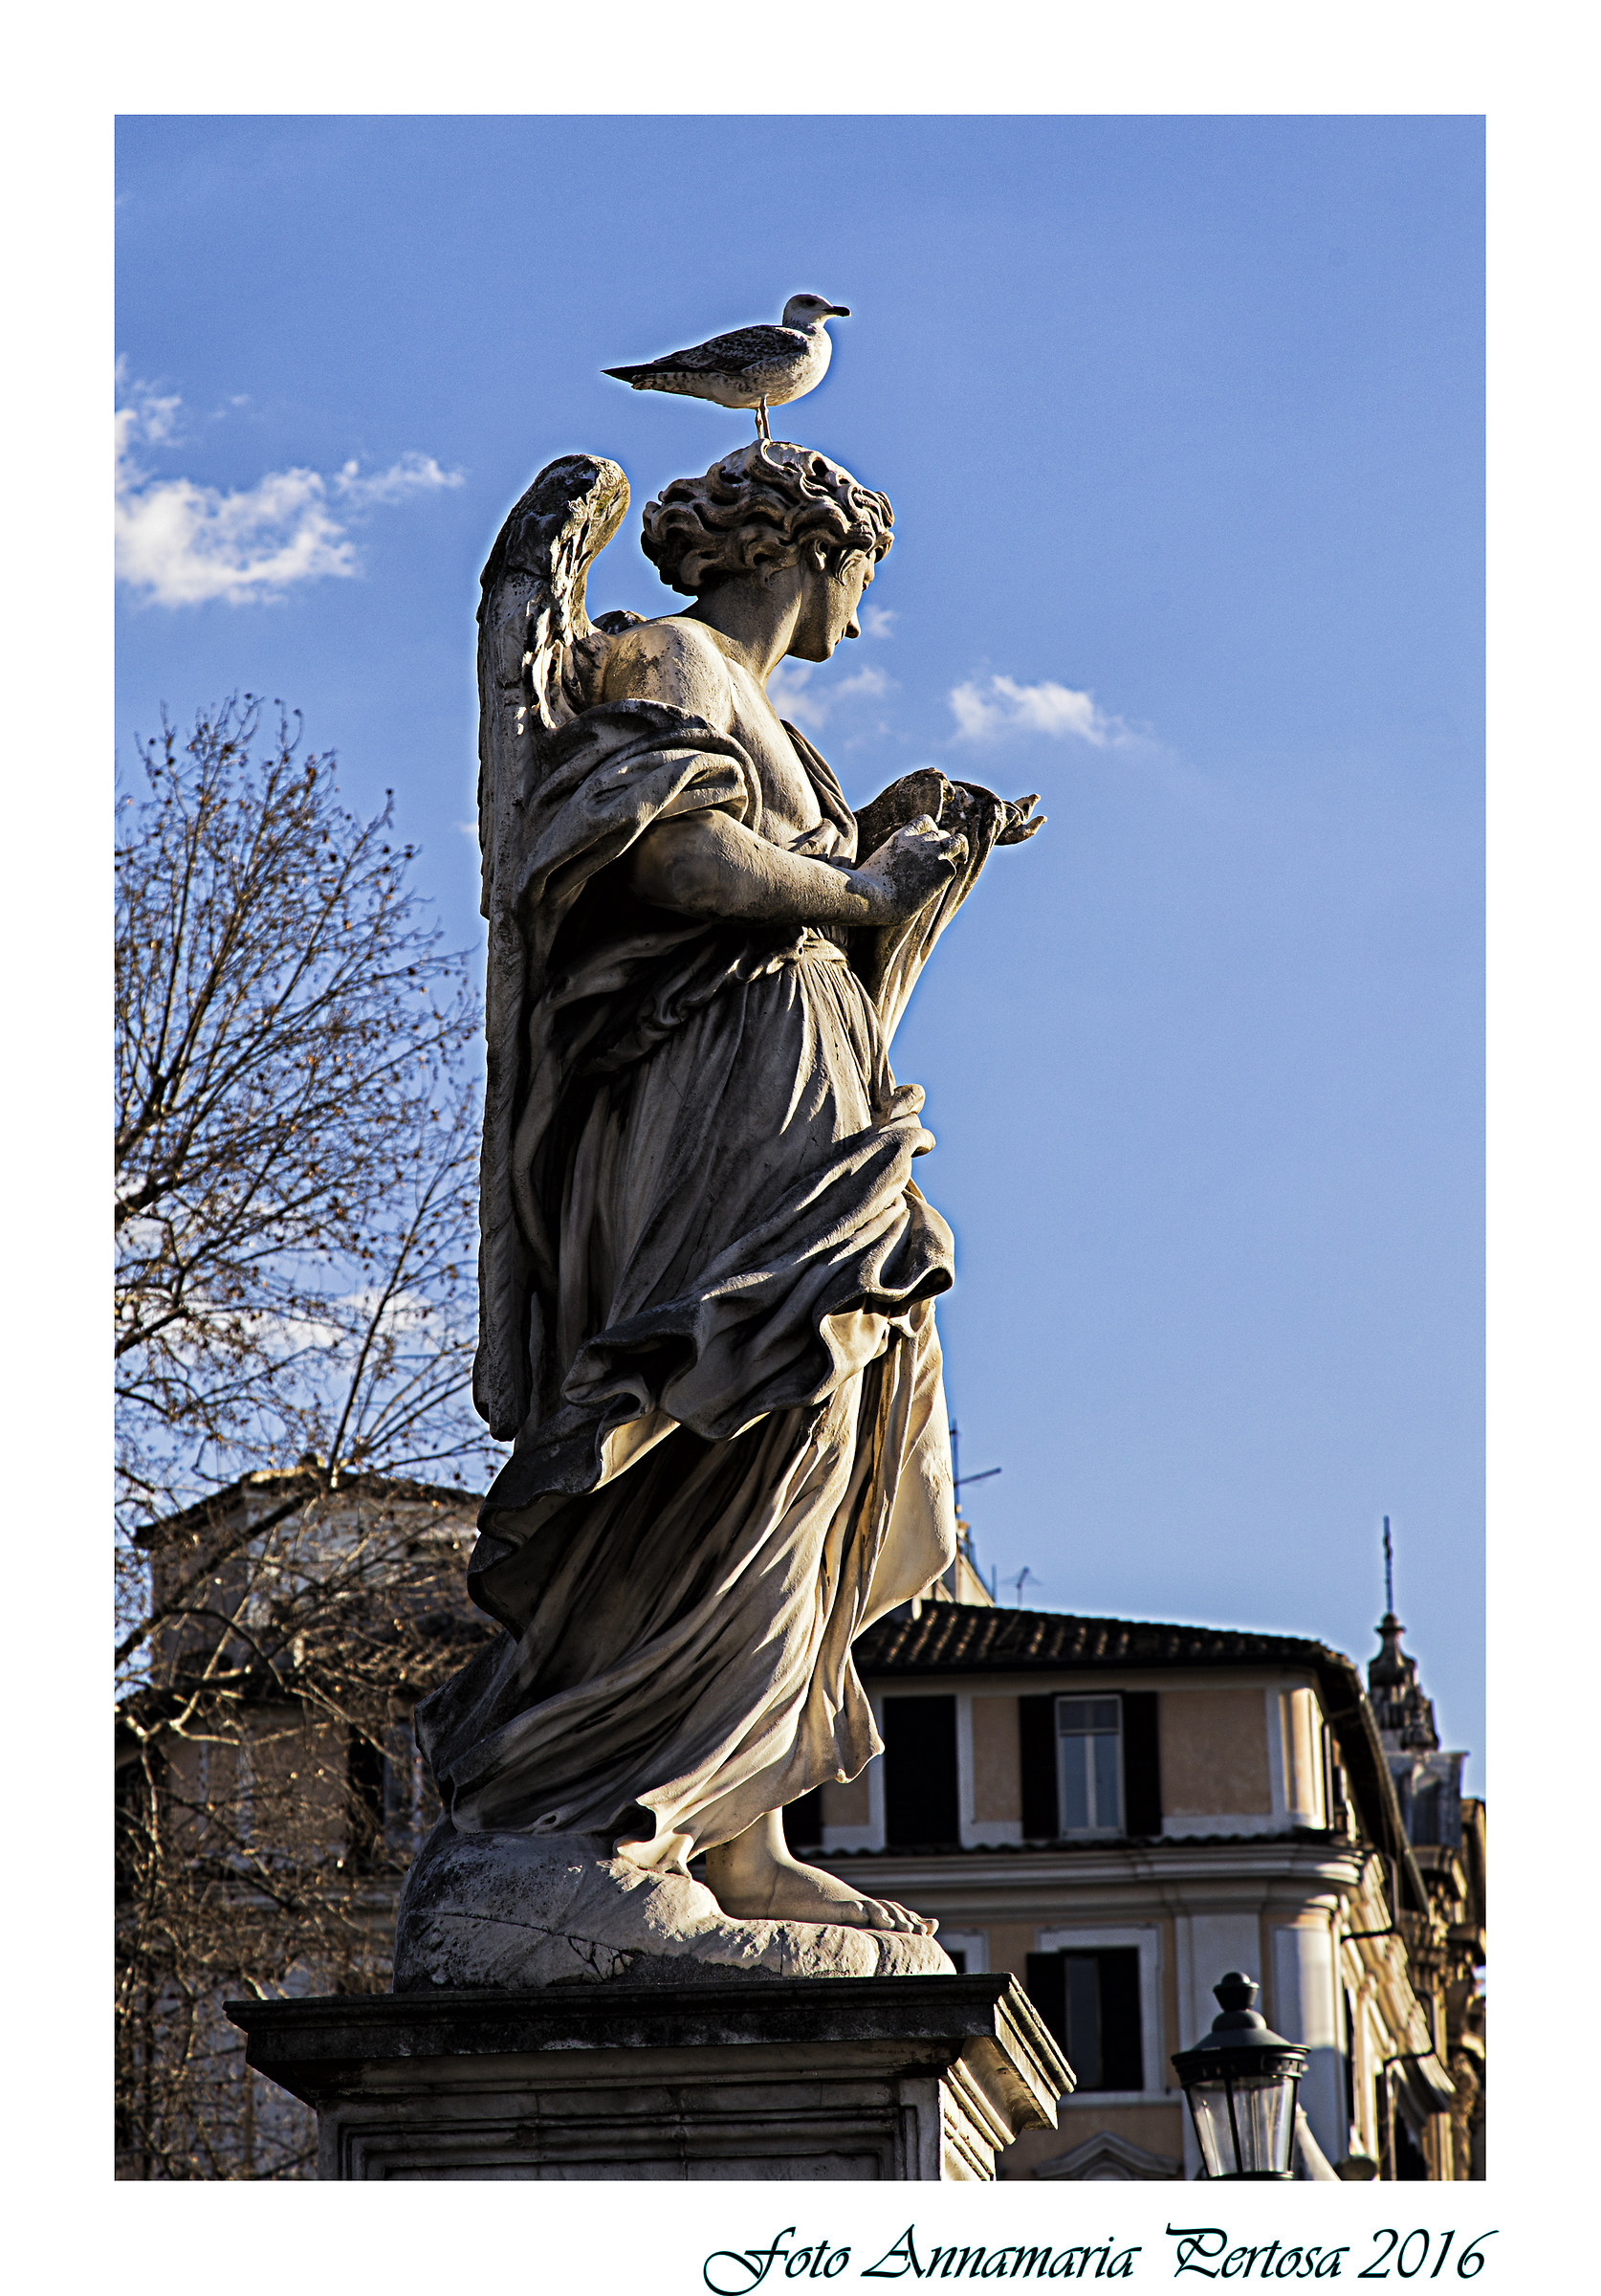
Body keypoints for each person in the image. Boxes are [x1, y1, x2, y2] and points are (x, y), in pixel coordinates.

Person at [416, 443, 1039, 1935]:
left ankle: (735, 1830)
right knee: (716, 1405)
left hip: (812, 1081)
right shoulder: (668, 658)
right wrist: (863, 886)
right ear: (806, 551)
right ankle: (608, 1813)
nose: (860, 612)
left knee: (816, 1424)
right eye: (859, 576)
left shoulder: (784, 732)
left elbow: (817, 899)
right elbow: (675, 862)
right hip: (707, 1086)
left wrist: (916, 853)